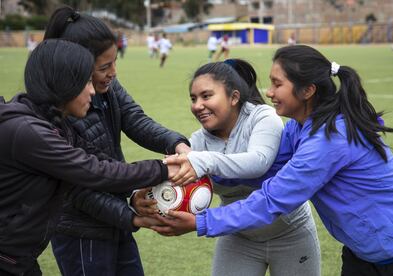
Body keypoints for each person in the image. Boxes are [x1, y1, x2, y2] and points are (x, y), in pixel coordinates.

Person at [152, 45, 393, 276]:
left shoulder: (328, 140)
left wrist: (202, 221)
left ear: (307, 90)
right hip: (362, 255)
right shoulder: (298, 130)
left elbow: (272, 199)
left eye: (277, 84)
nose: (268, 92)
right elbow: (263, 172)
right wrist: (173, 173)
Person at [0, 39, 174, 276]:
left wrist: (135, 196)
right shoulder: (30, 132)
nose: (93, 90)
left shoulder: (53, 124)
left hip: (18, 259)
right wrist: (165, 169)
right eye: (86, 83)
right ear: (65, 85)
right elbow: (95, 171)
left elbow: (100, 160)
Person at [134, 59, 321, 276]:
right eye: (193, 99)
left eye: (206, 96)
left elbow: (258, 162)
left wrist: (202, 160)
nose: (197, 105)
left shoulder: (262, 117)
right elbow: (168, 177)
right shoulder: (196, 144)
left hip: (292, 234)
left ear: (234, 97)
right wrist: (141, 196)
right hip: (238, 236)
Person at [43, 6, 190, 276]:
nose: (113, 72)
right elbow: (77, 187)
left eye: (114, 62)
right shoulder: (55, 112)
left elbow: (135, 119)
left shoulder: (107, 85)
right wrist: (132, 214)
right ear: (75, 66)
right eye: (104, 66)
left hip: (115, 217)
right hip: (80, 231)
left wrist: (178, 144)